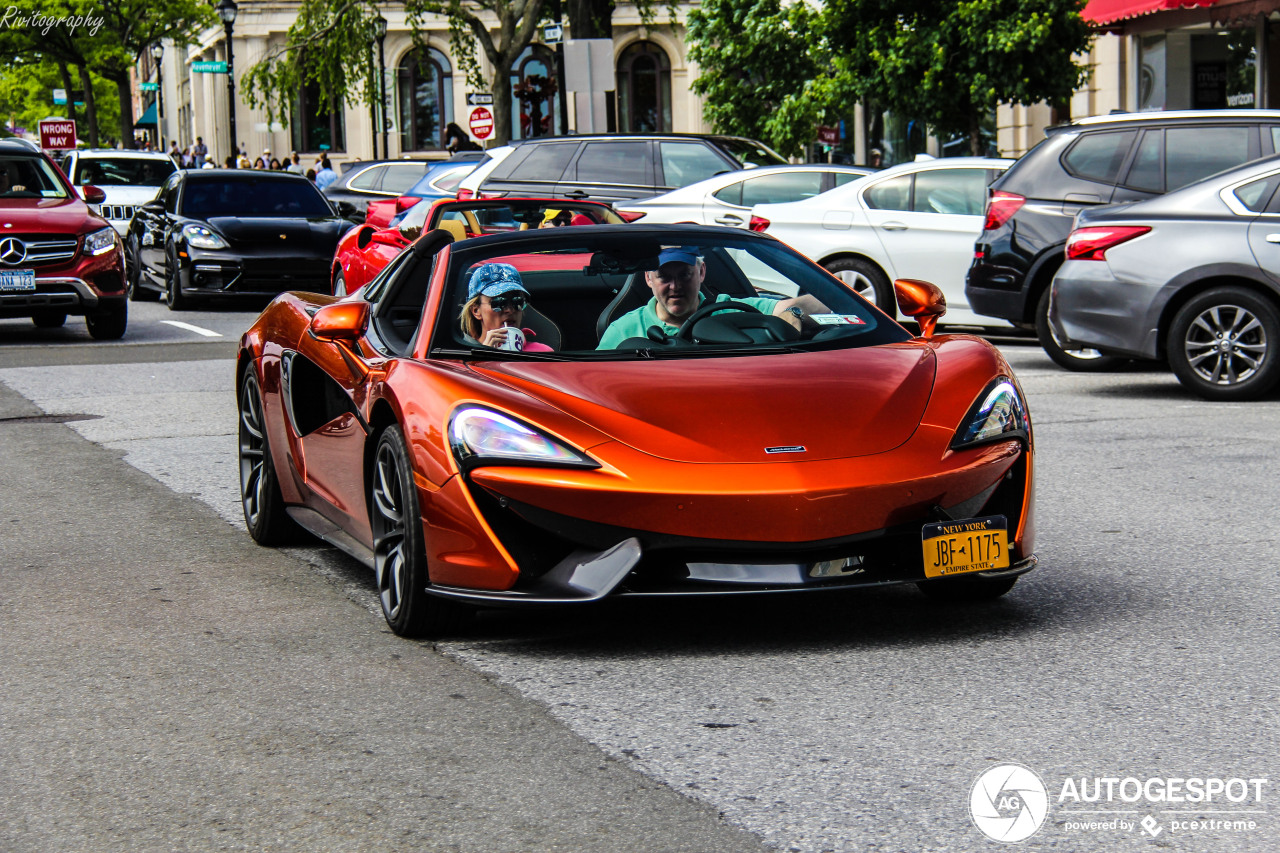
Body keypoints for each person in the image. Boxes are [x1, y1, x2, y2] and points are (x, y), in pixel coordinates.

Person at [597, 246, 827, 350]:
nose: (675, 286)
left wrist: (793, 314)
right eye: (664, 277)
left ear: (702, 272)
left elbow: (810, 305)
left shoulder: (732, 311)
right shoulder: (624, 330)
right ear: (648, 278)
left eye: (685, 275)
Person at [459, 263, 553, 352]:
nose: (510, 310)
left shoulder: (543, 352)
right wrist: (483, 355)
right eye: (498, 302)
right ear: (476, 311)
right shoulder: (463, 357)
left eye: (517, 301)